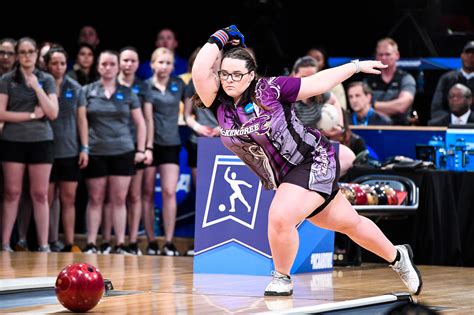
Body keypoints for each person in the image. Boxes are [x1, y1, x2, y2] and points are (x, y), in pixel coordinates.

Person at [192, 25, 423, 296]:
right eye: (224, 74)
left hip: (311, 160)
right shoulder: (219, 104)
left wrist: (355, 67)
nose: (229, 79)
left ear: (251, 75)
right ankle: (398, 258)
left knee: (279, 217)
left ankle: (281, 277)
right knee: (349, 223)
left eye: (237, 74)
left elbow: (319, 82)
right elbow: (199, 70)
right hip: (284, 176)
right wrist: (220, 36)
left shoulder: (271, 89)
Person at [81, 50, 147, 254]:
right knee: (96, 198)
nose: (108, 68)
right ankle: (92, 243)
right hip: (96, 151)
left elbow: (141, 123)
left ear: (117, 67)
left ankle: (119, 243)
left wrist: (141, 149)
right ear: (98, 67)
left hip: (123, 151)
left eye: (112, 64)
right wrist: (84, 147)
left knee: (119, 199)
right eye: (104, 64)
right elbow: (82, 121)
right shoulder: (87, 90)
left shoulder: (128, 93)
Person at [0, 37, 59, 252]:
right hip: (13, 141)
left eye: (30, 52)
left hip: (41, 141)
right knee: (11, 192)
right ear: (17, 55)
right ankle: (5, 243)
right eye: (22, 52)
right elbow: (1, 112)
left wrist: (36, 87)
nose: (26, 56)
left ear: (36, 54)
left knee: (40, 194)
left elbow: (53, 112)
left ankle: (44, 245)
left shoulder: (46, 79)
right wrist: (33, 114)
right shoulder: (7, 79)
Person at [44, 46, 89, 252]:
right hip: (45, 150)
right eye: (54, 63)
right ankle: (49, 240)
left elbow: (81, 119)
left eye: (62, 63)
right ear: (46, 64)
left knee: (68, 199)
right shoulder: (42, 86)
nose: (59, 67)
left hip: (70, 151)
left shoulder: (75, 87)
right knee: (48, 198)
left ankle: (69, 243)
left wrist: (84, 147)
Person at [142, 47, 186, 256]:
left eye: (168, 63)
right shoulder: (146, 86)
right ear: (152, 64)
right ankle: (151, 241)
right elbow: (148, 119)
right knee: (147, 193)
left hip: (172, 143)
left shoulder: (179, 84)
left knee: (169, 192)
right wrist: (148, 146)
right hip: (151, 145)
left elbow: (189, 114)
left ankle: (169, 241)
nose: (164, 66)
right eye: (160, 62)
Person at [118, 46, 154, 255]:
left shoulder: (142, 87)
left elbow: (148, 119)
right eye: (125, 60)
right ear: (119, 62)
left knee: (135, 195)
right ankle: (115, 241)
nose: (129, 64)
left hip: (138, 147)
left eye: (133, 61)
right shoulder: (112, 85)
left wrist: (147, 147)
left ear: (138, 63)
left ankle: (132, 241)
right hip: (117, 146)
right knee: (115, 197)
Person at [364, 38, 416, 126]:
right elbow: (362, 107)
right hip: (374, 128)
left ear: (397, 55)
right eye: (380, 54)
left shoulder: (406, 78)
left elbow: (402, 106)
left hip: (402, 129)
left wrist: (373, 105)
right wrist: (392, 107)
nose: (383, 57)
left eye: (387, 54)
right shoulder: (368, 81)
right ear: (376, 57)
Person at [430, 41, 474, 119]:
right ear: (462, 55)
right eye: (467, 52)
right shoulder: (447, 78)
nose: (470, 56)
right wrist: (454, 120)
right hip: (448, 124)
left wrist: (465, 120)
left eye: (473, 53)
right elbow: (436, 109)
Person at [306, 46, 348, 111]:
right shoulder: (298, 80)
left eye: (317, 59)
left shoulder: (335, 82)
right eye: (309, 58)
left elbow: (341, 109)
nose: (312, 62)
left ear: (324, 63)